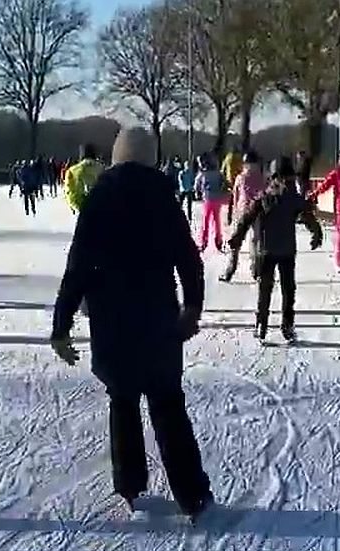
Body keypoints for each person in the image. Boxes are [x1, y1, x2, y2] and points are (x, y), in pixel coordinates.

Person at [49, 127, 214, 521]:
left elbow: (77, 267)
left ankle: (129, 483)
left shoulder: (99, 198)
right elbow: (189, 259)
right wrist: (192, 307)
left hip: (112, 320)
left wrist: (61, 323)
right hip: (157, 316)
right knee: (167, 404)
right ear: (151, 157)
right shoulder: (163, 198)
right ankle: (191, 493)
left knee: (122, 401)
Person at [228, 157, 323, 343]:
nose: (287, 182)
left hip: (268, 250)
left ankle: (263, 325)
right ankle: (282, 325)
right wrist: (316, 233)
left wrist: (237, 237)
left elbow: (246, 218)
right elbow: (307, 215)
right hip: (283, 250)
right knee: (286, 289)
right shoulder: (289, 198)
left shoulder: (265, 198)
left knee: (269, 289)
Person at [220, 151, 267, 282]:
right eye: (249, 164)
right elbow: (235, 196)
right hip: (247, 212)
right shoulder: (249, 177)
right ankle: (241, 270)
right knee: (248, 242)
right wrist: (233, 212)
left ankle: (254, 271)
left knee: (252, 242)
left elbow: (236, 196)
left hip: (250, 212)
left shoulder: (248, 178)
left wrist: (233, 211)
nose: (251, 167)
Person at [195, 155, 229, 253]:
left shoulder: (202, 174)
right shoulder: (218, 173)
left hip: (207, 199)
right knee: (217, 221)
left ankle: (203, 242)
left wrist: (199, 192)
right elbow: (226, 183)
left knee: (206, 221)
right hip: (217, 199)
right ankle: (218, 241)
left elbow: (196, 185)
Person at [65, 144, 105, 214]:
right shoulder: (102, 169)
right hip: (100, 209)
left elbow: (69, 191)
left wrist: (75, 207)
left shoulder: (72, 171)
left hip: (82, 210)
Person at [221, 147, 243, 224]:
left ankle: (229, 218)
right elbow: (242, 168)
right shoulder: (239, 158)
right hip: (238, 179)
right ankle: (239, 215)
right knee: (239, 197)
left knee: (231, 200)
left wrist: (224, 179)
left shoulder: (228, 157)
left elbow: (223, 169)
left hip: (230, 180)